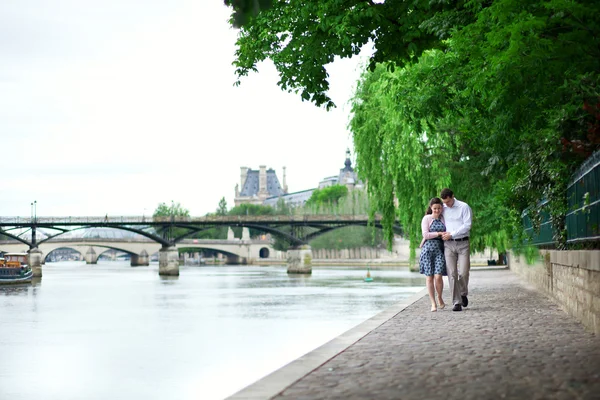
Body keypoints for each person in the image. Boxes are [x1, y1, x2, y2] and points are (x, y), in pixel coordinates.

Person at [440, 188, 473, 312]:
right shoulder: (443, 208)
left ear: (453, 196)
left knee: (464, 272)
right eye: (445, 202)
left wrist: (452, 234)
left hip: (463, 243)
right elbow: (433, 214)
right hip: (448, 245)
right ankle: (457, 302)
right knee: (452, 273)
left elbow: (467, 225)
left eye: (448, 202)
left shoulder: (464, 207)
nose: (446, 205)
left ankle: (463, 293)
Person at [419, 197, 447, 312]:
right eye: (435, 208)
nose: (437, 210)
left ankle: (439, 297)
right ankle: (433, 303)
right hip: (428, 250)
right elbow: (426, 235)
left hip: (440, 250)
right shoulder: (426, 218)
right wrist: (439, 233)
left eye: (439, 208)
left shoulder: (443, 218)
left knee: (438, 276)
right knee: (429, 277)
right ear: (431, 208)